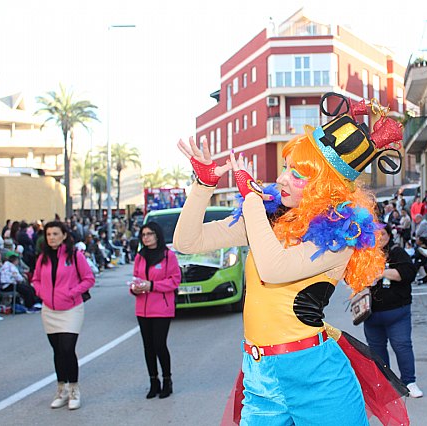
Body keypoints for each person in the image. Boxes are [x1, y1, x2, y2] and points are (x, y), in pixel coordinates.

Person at [175, 95, 409, 424]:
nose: (283, 178)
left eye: (297, 174)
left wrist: (251, 199)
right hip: (260, 379)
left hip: (317, 378)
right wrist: (204, 185)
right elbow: (187, 241)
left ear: (323, 187)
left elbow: (274, 269)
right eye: (286, 168)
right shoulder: (268, 217)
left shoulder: (341, 234)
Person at [32, 221, 95, 410]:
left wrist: (70, 292)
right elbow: (35, 279)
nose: (51, 237)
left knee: (68, 349)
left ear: (64, 235)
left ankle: (75, 389)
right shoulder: (42, 257)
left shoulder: (75, 255)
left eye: (55, 234)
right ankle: (62, 389)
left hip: (71, 309)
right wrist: (41, 292)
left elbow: (89, 279)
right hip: (49, 310)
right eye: (49, 234)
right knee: (57, 351)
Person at [363, 225, 422, 397]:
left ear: (389, 235)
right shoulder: (364, 255)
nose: (379, 237)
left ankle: (409, 382)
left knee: (402, 346)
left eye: (382, 234)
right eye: (375, 234)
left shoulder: (397, 252)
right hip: (371, 314)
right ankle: (386, 384)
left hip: (397, 311)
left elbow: (408, 273)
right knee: (376, 350)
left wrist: (381, 272)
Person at [131, 221, 181, 399]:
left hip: (161, 307)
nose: (146, 238)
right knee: (148, 347)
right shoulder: (140, 256)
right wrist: (134, 288)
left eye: (150, 234)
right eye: (143, 235)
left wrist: (152, 285)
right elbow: (136, 279)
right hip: (142, 308)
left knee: (159, 344)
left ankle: (167, 380)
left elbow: (174, 281)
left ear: (157, 235)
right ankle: (154, 381)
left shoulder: (168, 256)